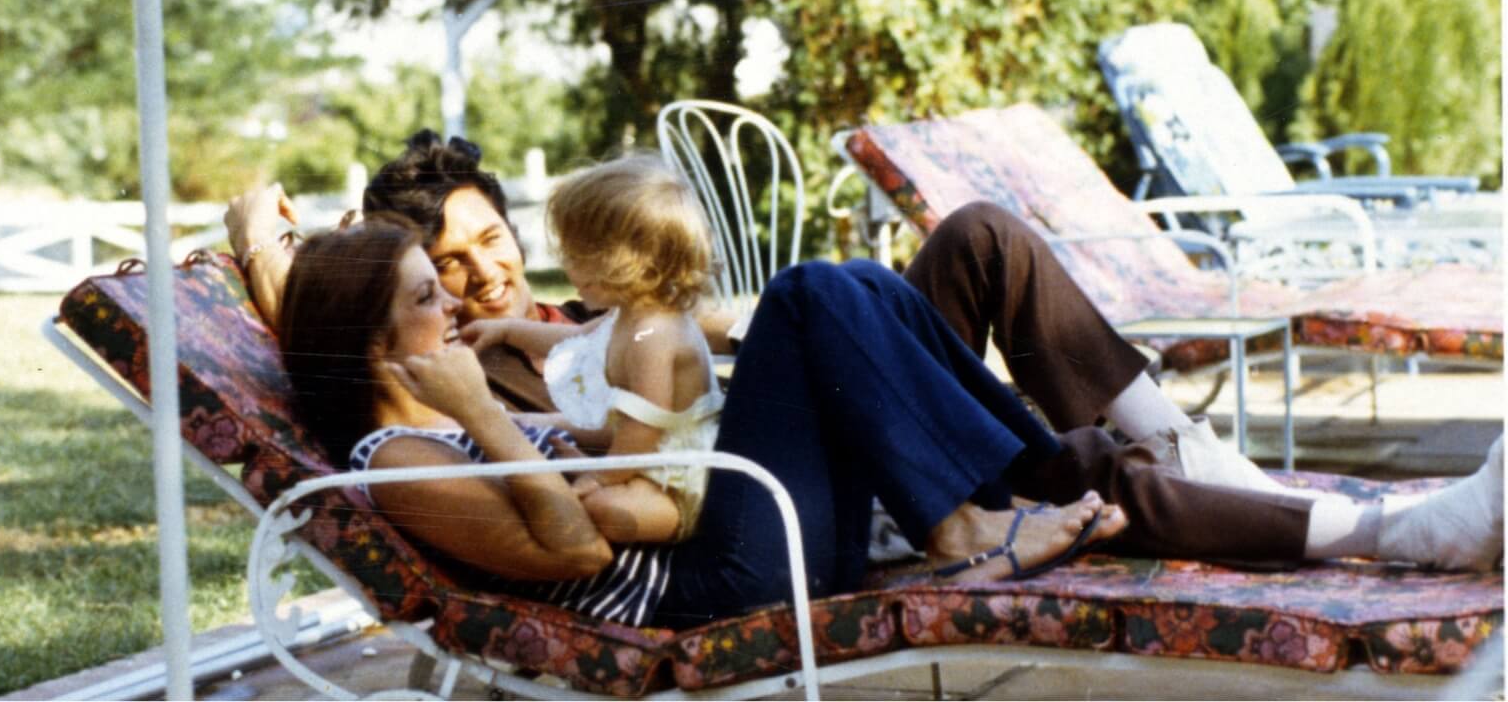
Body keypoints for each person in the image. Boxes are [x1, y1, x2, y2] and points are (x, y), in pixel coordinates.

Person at [229, 133, 1504, 574]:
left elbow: (694, 345)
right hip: (759, 508)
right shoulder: (444, 398)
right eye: (439, 277)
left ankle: (1181, 450)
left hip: (783, 445)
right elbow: (577, 521)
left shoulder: (553, 325)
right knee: (826, 303)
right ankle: (1364, 527)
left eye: (491, 244)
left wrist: (725, 329)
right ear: (390, 319)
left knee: (977, 237)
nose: (478, 281)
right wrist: (255, 238)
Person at [276, 216, 1130, 628]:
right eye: (430, 295)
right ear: (373, 346)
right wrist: (481, 411)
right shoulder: (398, 462)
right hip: (716, 586)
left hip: (736, 537)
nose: (454, 301)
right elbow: (576, 551)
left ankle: (1025, 475)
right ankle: (970, 524)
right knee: (805, 295)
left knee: (856, 282)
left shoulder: (439, 425)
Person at [461, 156, 725, 544]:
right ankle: (604, 479)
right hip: (642, 457)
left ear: (626, 262)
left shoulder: (655, 334)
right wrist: (506, 331)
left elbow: (643, 428)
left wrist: (600, 475)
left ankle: (672, 521)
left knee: (599, 510)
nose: (566, 266)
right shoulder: (629, 315)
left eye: (576, 256)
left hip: (681, 476)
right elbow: (575, 340)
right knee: (577, 484)